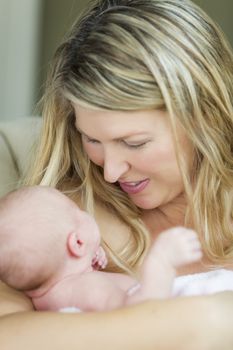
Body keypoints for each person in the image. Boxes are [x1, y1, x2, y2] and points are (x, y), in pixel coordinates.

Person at [1, 0, 233, 349]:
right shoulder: (62, 225)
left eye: (134, 142)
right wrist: (205, 322)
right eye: (92, 139)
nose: (110, 172)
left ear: (203, 119)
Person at [0, 186, 203, 312]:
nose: (85, 211)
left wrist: (86, 260)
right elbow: (139, 317)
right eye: (78, 211)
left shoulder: (49, 294)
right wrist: (161, 263)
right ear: (77, 243)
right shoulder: (87, 288)